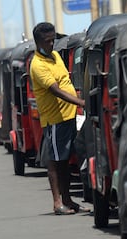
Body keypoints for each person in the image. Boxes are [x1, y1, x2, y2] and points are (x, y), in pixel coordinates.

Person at [30, 22, 90, 215]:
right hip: (54, 119)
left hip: (69, 115)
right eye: (47, 41)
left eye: (53, 40)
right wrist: (81, 102)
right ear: (38, 42)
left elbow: (65, 82)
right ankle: (57, 203)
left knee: (65, 161)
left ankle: (68, 200)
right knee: (55, 162)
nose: (52, 44)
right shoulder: (37, 65)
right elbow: (56, 91)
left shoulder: (55, 56)